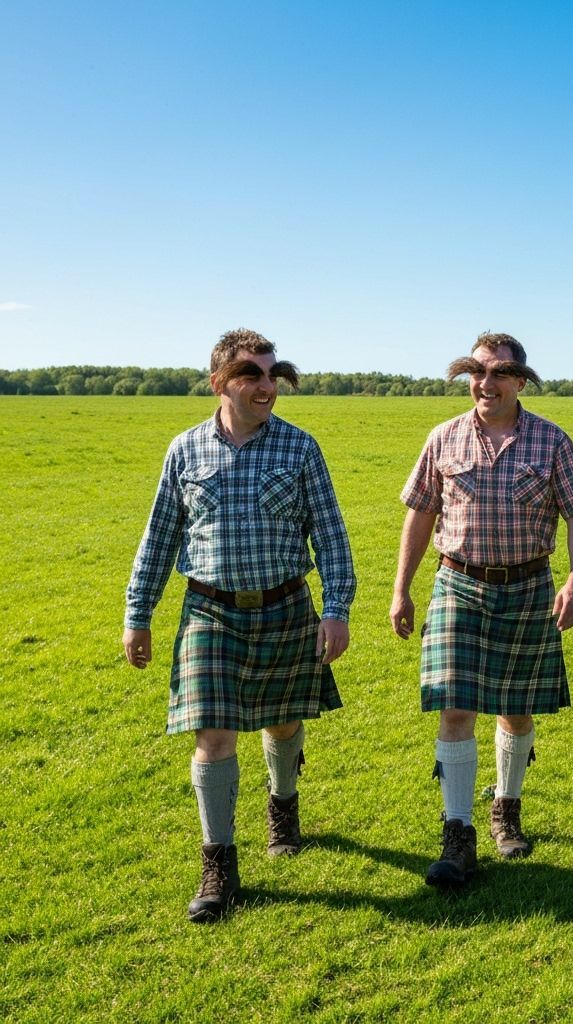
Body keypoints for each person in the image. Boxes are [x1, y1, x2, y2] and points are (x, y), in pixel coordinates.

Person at [123, 327, 355, 922]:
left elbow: (329, 535)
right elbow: (159, 539)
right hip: (208, 612)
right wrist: (138, 614)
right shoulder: (185, 449)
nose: (266, 385)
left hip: (284, 607)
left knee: (282, 724)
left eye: (272, 374)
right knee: (213, 734)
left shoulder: (300, 448)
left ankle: (283, 805)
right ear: (219, 382)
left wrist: (336, 609)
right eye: (251, 373)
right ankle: (219, 863)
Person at [390, 331, 573, 888]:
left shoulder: (552, 441)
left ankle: (506, 808)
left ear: (520, 380)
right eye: (478, 372)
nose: (487, 383)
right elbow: (418, 514)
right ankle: (457, 832)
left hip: (528, 586)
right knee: (455, 709)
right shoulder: (443, 439)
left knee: (517, 707)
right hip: (457, 585)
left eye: (500, 373)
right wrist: (401, 589)